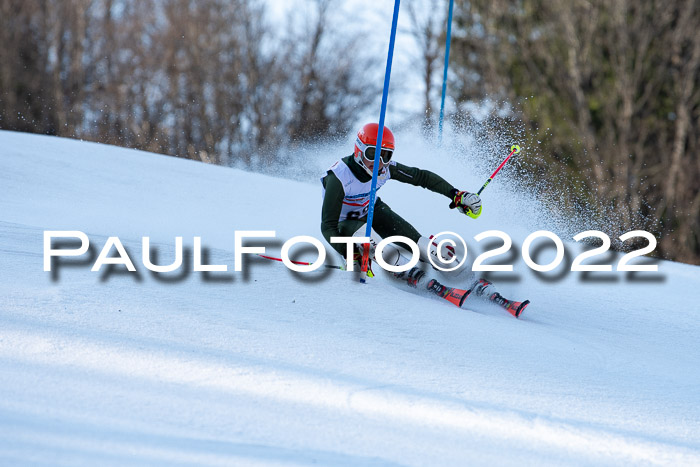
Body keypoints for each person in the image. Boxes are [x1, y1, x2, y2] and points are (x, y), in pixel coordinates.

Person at [320, 123, 528, 317]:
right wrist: (348, 252)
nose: (379, 163)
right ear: (358, 150)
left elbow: (421, 177)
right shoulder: (339, 177)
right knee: (372, 242)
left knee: (423, 246)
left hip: (373, 209)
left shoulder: (386, 168)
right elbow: (327, 226)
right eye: (372, 154)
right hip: (346, 223)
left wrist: (456, 194)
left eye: (386, 156)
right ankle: (406, 271)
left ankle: (469, 279)